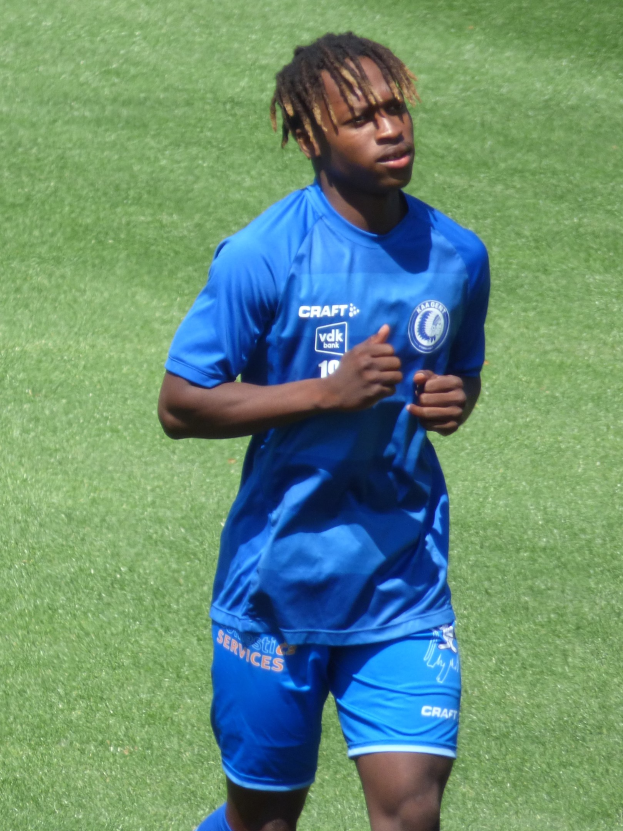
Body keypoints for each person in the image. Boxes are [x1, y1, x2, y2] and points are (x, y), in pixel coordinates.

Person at [158, 31, 489, 831]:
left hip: (402, 579)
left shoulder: (458, 254)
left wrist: (456, 398)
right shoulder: (262, 256)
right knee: (263, 821)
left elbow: (461, 370)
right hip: (276, 589)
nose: (390, 128)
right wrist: (324, 393)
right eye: (361, 116)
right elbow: (180, 403)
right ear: (310, 139)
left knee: (410, 812)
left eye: (395, 108)